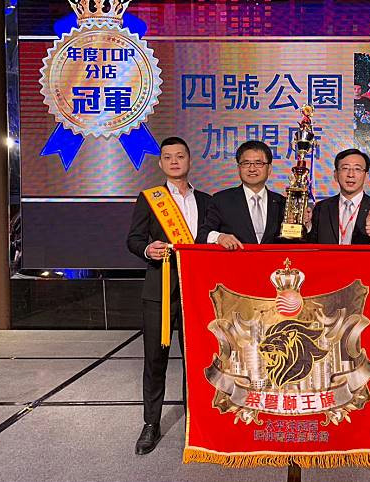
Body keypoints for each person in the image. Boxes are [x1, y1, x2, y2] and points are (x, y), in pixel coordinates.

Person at [126, 136, 211, 455]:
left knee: (196, 358)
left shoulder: (207, 201)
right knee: (155, 359)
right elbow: (133, 239)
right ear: (161, 163)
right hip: (159, 290)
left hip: (196, 290)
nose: (174, 161)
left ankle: (196, 419)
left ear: (190, 160)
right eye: (168, 157)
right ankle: (151, 423)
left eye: (180, 156)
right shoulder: (150, 198)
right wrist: (148, 249)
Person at [197, 140, 285, 248]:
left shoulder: (282, 203)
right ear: (238, 168)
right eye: (246, 163)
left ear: (269, 169)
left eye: (258, 163)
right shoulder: (221, 200)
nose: (252, 169)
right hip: (236, 259)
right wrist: (219, 237)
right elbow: (202, 236)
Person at [306, 149, 370, 244]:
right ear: (335, 175)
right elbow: (311, 244)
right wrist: (307, 227)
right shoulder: (321, 208)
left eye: (357, 169)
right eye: (345, 168)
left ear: (366, 176)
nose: (351, 175)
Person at [353, 84, 370, 153]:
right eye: (354, 89)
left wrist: (367, 114)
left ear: (361, 90)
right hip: (351, 127)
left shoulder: (366, 100)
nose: (356, 90)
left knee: (363, 146)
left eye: (359, 89)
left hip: (364, 127)